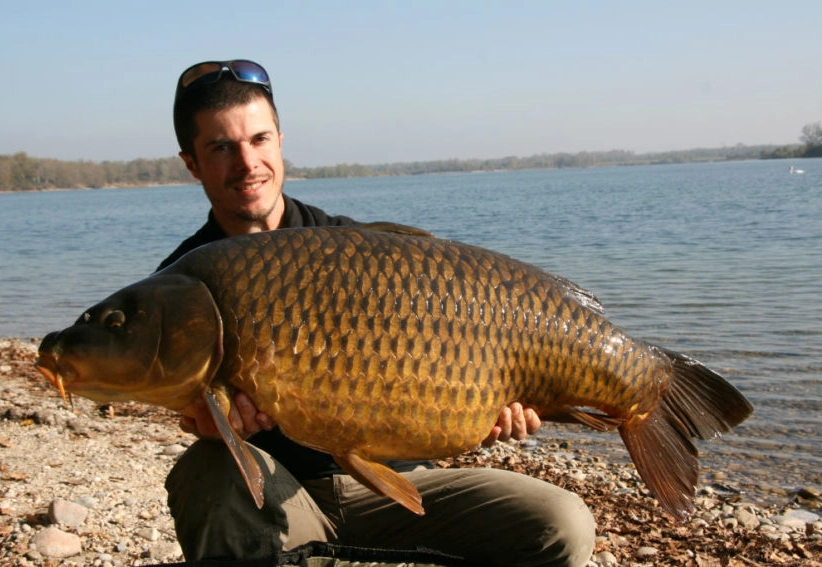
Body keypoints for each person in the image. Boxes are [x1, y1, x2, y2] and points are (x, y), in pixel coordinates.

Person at [160, 59, 595, 567]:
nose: (247, 161)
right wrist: (217, 429)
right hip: (285, 496)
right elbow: (187, 407)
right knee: (206, 471)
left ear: (280, 140)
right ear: (191, 163)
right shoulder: (180, 285)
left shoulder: (361, 251)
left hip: (410, 487)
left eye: (259, 140)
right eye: (220, 147)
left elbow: (461, 359)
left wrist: (502, 401)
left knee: (562, 523)